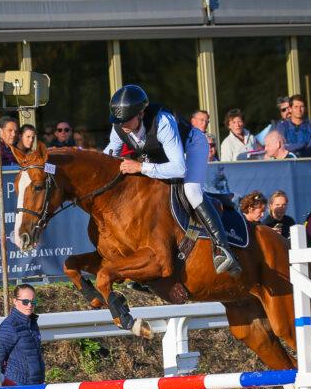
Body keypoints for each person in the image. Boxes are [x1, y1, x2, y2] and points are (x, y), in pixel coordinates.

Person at [103, 83, 241, 276]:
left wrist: (141, 167)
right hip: (159, 154)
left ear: (141, 114)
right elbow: (108, 156)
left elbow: (178, 168)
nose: (122, 124)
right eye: (119, 120)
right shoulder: (119, 126)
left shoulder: (163, 121)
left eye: (126, 120)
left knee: (191, 191)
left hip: (191, 147)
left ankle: (223, 248)